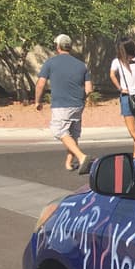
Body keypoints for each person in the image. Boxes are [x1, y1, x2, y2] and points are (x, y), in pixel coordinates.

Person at [33, 34, 93, 173]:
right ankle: (69, 163)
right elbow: (89, 89)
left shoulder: (50, 63)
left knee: (58, 130)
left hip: (61, 104)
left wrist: (37, 101)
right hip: (78, 104)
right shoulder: (81, 65)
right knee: (72, 134)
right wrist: (81, 98)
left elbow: (40, 84)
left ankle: (82, 157)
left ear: (58, 46)